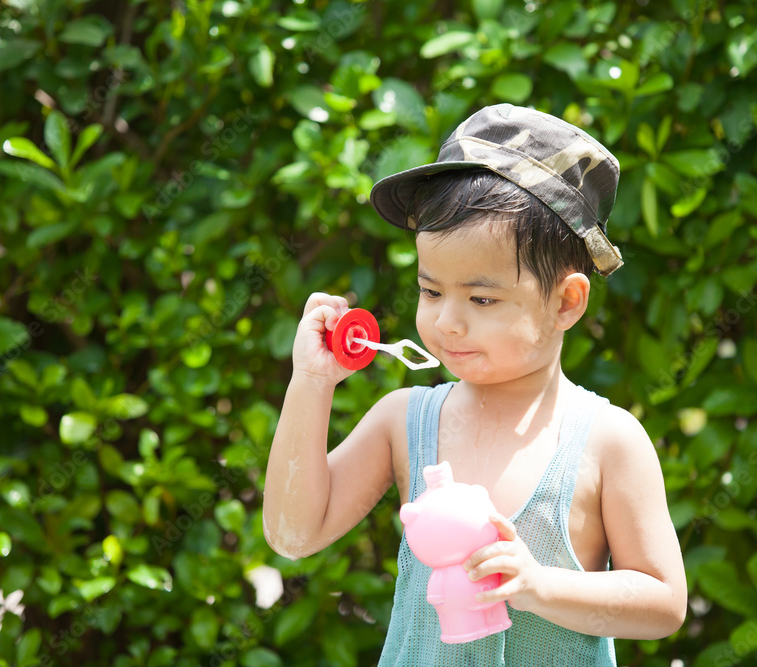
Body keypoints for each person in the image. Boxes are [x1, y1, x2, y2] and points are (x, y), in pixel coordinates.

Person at [263, 103, 687, 665]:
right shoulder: (403, 420)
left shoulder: (608, 440)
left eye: (482, 299)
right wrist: (311, 384)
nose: (447, 322)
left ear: (566, 301)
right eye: (431, 291)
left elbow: (663, 601)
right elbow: (295, 534)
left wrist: (540, 586)